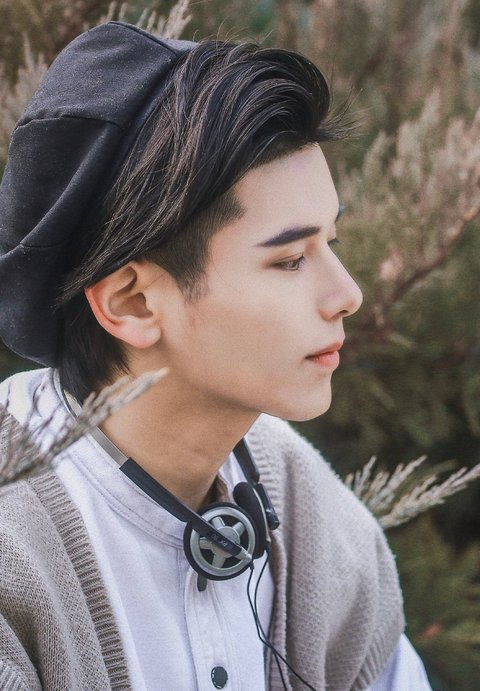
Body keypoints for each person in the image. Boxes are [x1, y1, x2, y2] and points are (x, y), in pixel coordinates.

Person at [0, 20, 432, 691]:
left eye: (332, 242)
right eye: (289, 260)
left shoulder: (306, 506)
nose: (347, 295)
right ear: (133, 303)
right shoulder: (14, 546)